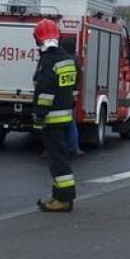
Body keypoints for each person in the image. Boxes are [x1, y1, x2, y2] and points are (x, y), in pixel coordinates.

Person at [32, 19, 78, 213]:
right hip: (65, 116)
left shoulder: (48, 61)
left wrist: (39, 117)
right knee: (60, 158)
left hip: (52, 119)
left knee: (57, 161)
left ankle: (63, 200)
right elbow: (73, 88)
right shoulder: (66, 59)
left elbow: (45, 93)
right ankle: (59, 196)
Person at [59, 36, 86, 159]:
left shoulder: (63, 60)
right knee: (70, 123)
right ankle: (73, 148)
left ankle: (61, 148)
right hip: (71, 95)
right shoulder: (75, 60)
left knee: (61, 124)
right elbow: (79, 78)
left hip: (63, 96)